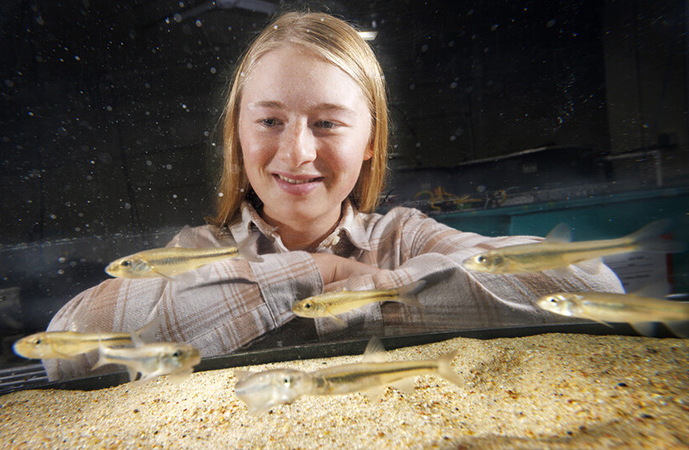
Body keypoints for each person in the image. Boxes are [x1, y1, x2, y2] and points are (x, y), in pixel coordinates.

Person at [44, 11, 623, 380]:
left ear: (371, 141)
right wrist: (315, 274)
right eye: (270, 121)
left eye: (327, 124)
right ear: (238, 134)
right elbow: (61, 350)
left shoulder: (401, 236)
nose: (296, 153)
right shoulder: (196, 249)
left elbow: (590, 283)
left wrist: (367, 289)